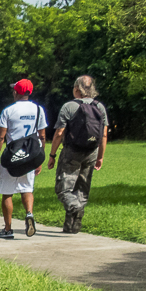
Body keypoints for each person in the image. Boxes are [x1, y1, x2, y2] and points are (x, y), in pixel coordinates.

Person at [47, 75, 108, 234]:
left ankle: (74, 208)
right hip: (91, 152)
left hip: (71, 152)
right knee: (82, 188)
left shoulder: (69, 106)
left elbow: (59, 133)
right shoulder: (99, 107)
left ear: (76, 89)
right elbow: (104, 135)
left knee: (63, 188)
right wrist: (100, 156)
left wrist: (52, 155)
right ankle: (72, 227)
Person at [0, 78, 48, 239]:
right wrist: (39, 159)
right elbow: (42, 136)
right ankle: (29, 214)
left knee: (7, 192)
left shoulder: (8, 111)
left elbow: (0, 137)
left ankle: (8, 229)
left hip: (12, 156)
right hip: (30, 156)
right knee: (27, 189)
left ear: (16, 92)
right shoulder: (38, 110)